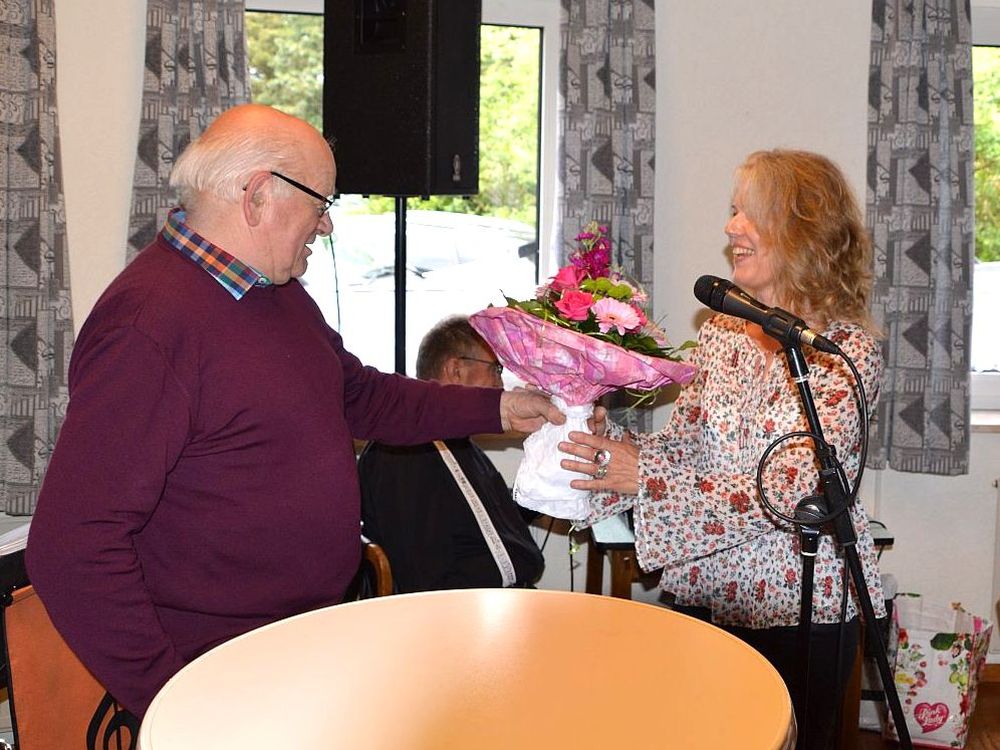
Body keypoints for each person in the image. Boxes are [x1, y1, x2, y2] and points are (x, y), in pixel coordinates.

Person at [24, 103, 563, 720]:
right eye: (321, 203)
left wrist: (501, 407)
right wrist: (168, 699)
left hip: (298, 644)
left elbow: (360, 395)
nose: (326, 225)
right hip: (218, 672)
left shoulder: (273, 292)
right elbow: (72, 546)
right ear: (258, 195)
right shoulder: (149, 326)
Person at [559, 149, 885, 750]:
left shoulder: (845, 353)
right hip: (708, 592)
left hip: (799, 606)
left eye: (749, 213)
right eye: (733, 211)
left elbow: (790, 492)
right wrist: (614, 446)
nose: (732, 227)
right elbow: (684, 445)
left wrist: (644, 477)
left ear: (804, 230)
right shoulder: (721, 332)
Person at [358, 316, 545, 592]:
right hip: (466, 609)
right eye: (495, 369)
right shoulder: (403, 453)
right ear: (455, 370)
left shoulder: (457, 444)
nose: (501, 384)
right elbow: (421, 577)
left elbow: (486, 514)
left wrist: (547, 491)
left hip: (501, 598)